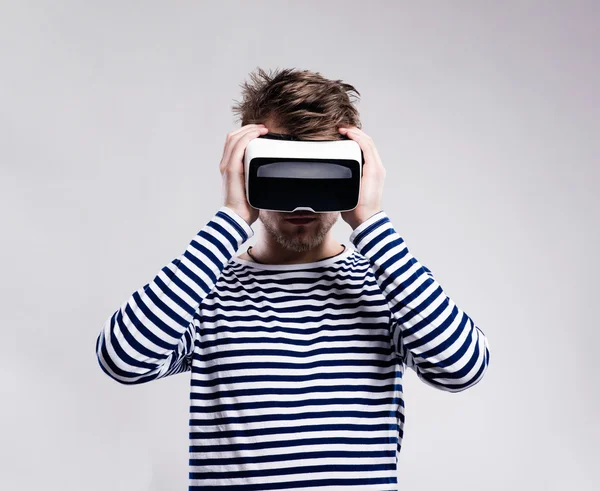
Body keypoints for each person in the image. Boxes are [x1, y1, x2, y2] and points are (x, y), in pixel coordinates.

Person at [96, 67, 490, 490]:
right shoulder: (204, 290)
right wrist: (230, 219)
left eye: (322, 173)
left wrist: (371, 222)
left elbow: (462, 367)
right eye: (284, 171)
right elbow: (122, 359)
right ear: (246, 170)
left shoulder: (388, 285)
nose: (302, 199)